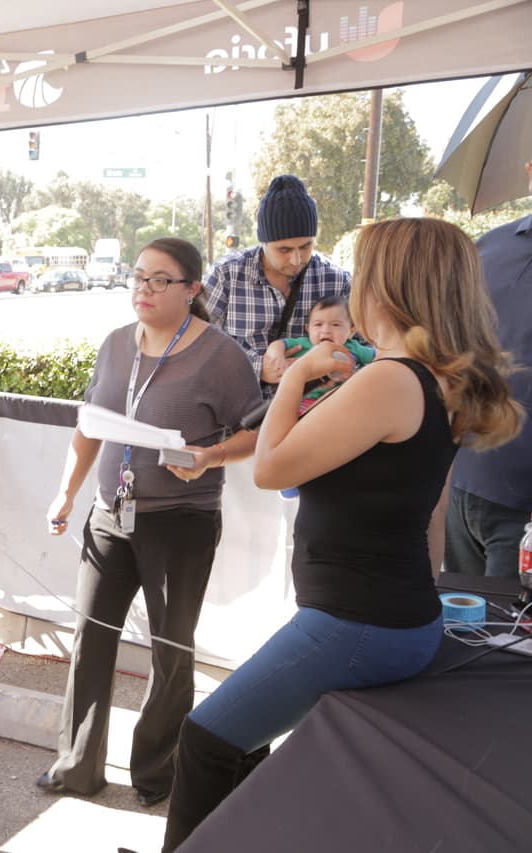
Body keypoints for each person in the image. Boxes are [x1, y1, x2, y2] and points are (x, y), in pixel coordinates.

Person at [162, 218, 523, 852]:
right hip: (393, 616)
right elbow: (429, 515)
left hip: (359, 622)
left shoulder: (389, 379)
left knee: (206, 737)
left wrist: (294, 378)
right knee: (245, 740)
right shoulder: (434, 379)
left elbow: (272, 468)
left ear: (387, 285)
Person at [37, 237, 262, 809]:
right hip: (109, 515)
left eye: (161, 280)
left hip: (180, 522)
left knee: (170, 650)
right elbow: (90, 423)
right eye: (139, 276)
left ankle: (157, 773)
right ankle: (76, 766)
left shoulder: (221, 356)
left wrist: (209, 457)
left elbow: (258, 432)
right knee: (90, 639)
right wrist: (66, 495)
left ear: (193, 290)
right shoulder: (115, 345)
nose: (144, 288)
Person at [446, 159, 532, 578]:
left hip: (523, 511)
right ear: (530, 169)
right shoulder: (486, 248)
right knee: (459, 633)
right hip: (458, 481)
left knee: (513, 640)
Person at [203, 175, 352, 397]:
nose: (297, 259)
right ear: (262, 242)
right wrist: (258, 368)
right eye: (284, 249)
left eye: (306, 246)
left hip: (312, 416)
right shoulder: (227, 275)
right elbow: (196, 344)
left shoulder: (337, 281)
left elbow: (363, 346)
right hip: (239, 412)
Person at [263, 295, 375, 415]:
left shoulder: (353, 348)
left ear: (351, 331)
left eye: (335, 324)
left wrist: (359, 373)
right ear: (308, 328)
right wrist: (277, 356)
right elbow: (278, 344)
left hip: (342, 402)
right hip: (304, 402)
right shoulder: (304, 344)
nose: (326, 330)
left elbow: (380, 358)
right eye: (318, 324)